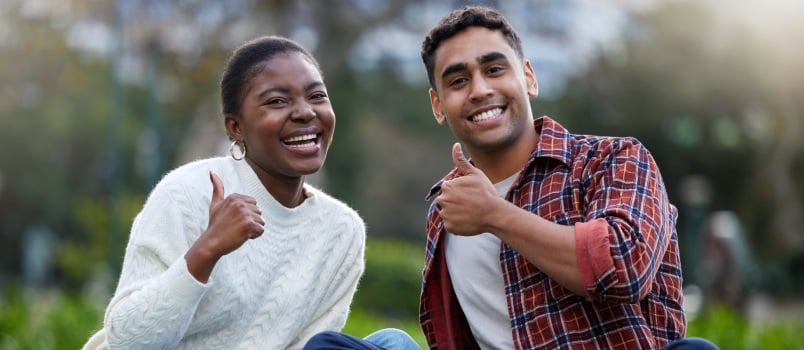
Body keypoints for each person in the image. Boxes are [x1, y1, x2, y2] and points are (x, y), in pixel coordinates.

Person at [307, 5, 719, 350]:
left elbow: (624, 265)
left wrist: (495, 215)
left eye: (494, 69)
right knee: (350, 345)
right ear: (438, 106)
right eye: (458, 81)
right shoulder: (447, 211)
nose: (479, 90)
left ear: (529, 78)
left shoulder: (612, 160)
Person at [82, 35, 369, 349]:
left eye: (317, 96)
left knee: (393, 342)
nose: (305, 112)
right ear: (235, 127)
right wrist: (208, 248)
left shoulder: (342, 230)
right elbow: (127, 342)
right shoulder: (186, 193)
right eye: (277, 101)